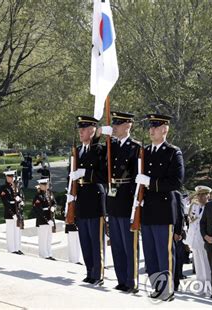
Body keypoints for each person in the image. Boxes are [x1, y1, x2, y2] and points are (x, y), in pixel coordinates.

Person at [134, 113, 185, 301]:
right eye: (150, 126)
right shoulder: (144, 152)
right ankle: (156, 286)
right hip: (147, 209)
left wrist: (150, 182)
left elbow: (176, 182)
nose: (151, 129)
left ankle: (168, 289)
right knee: (150, 253)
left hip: (164, 210)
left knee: (164, 253)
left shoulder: (173, 152)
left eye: (155, 126)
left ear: (165, 129)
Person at [99, 111, 140, 293]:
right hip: (113, 198)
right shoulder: (111, 146)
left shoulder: (135, 147)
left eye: (118, 123)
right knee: (116, 243)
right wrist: (100, 134)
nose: (114, 126)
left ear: (128, 125)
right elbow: (95, 154)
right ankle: (121, 279)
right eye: (113, 123)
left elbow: (136, 177)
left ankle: (132, 281)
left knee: (128, 244)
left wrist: (135, 203)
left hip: (127, 199)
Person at [67, 115, 106, 286]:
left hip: (95, 199)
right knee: (84, 239)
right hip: (81, 199)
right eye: (80, 129)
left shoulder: (99, 150)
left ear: (92, 131)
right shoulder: (78, 150)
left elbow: (103, 175)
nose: (81, 132)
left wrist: (85, 173)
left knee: (96, 240)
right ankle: (89, 271)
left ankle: (98, 273)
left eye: (84, 129)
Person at [186, 185, 212, 296]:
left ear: (208, 195)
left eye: (203, 195)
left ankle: (209, 289)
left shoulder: (210, 208)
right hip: (194, 240)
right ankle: (201, 288)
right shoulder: (194, 207)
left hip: (205, 241)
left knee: (206, 265)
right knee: (198, 265)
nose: (201, 197)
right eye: (199, 195)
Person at [0, 170, 24, 255]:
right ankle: (11, 249)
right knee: (10, 231)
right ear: (6, 177)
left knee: (17, 231)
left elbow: (21, 195)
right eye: (10, 177)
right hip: (10, 213)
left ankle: (17, 248)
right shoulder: (4, 188)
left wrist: (20, 200)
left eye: (12, 177)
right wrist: (12, 214)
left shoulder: (16, 186)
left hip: (17, 211)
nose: (11, 178)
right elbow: (6, 203)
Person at [32, 178, 57, 260]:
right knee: (43, 238)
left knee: (49, 238)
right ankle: (43, 254)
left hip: (50, 218)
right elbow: (38, 211)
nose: (46, 186)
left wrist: (53, 207)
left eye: (47, 184)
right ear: (40, 186)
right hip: (42, 220)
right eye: (44, 185)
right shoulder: (38, 196)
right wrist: (47, 220)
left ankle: (49, 253)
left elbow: (54, 202)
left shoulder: (50, 193)